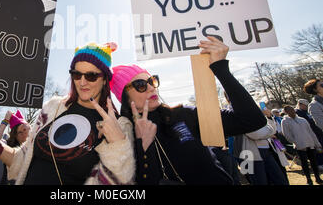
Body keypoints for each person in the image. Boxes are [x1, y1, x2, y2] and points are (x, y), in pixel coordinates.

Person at [0, 42, 135, 185]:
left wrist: (117, 145)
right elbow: (21, 160)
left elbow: (119, 181)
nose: (82, 82)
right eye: (77, 74)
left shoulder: (119, 124)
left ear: (105, 78)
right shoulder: (53, 107)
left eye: (91, 76)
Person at [110, 36, 266, 185]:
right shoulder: (122, 136)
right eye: (140, 85)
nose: (151, 87)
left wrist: (221, 69)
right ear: (125, 97)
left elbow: (252, 120)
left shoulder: (183, 115)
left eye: (152, 81)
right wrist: (144, 145)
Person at [281, 105, 323, 185]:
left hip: (310, 143)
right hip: (300, 146)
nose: (292, 112)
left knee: (314, 162)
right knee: (304, 163)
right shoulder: (285, 121)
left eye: (292, 110)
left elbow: (310, 132)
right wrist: (296, 142)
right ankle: (308, 179)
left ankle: (318, 178)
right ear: (286, 112)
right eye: (289, 111)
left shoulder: (302, 120)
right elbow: (287, 135)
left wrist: (317, 143)